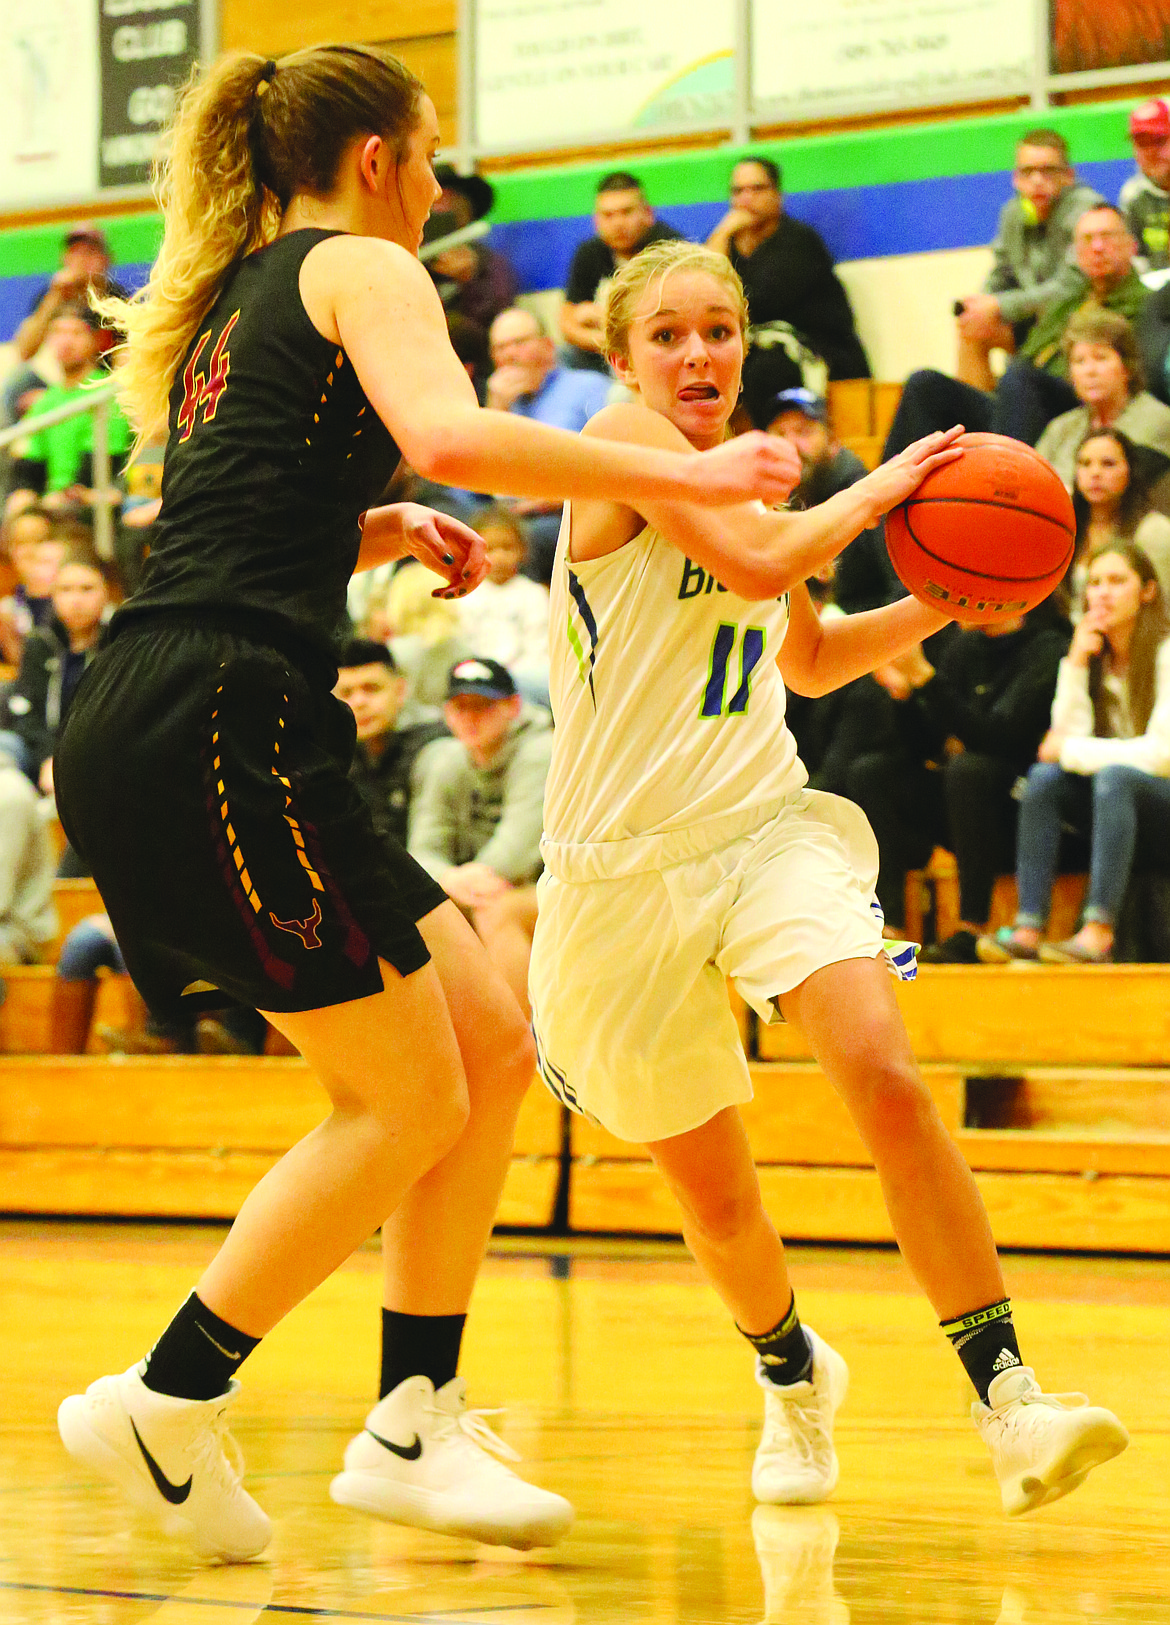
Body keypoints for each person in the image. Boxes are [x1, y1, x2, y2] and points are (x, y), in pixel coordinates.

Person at [50, 44, 800, 1565]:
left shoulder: (243, 292)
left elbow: (219, 511)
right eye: (434, 150)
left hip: (198, 700)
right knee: (402, 1099)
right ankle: (166, 1397)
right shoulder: (360, 264)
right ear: (382, 157)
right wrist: (693, 471)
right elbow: (459, 436)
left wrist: (362, 518)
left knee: (487, 1038)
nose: (444, 181)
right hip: (221, 719)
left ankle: (409, 1417)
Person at [527, 236, 1127, 1519]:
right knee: (718, 1190)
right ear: (625, 355)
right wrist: (889, 486)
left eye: (720, 331)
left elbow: (802, 657)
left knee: (883, 1072)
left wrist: (955, 596)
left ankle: (1012, 1397)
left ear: (747, 344)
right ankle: (794, 1375)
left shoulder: (755, 487)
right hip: (613, 871)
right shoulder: (629, 442)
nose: (698, 353)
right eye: (671, 332)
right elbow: (755, 567)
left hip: (758, 825)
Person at [979, 542, 1170, 965]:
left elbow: (1162, 756)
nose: (1102, 593)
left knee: (1114, 777)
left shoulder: (1166, 652)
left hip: (1160, 804)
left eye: (1117, 581)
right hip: (1118, 802)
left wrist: (1071, 751)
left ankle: (1099, 931)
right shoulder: (1092, 654)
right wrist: (1077, 661)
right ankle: (1029, 926)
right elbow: (1056, 748)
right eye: (1095, 583)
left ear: (1148, 592)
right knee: (1044, 781)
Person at [847, 608, 1068, 964]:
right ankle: (889, 928)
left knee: (970, 770)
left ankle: (972, 925)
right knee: (873, 772)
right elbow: (928, 745)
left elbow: (1002, 738)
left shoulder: (1048, 648)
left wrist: (927, 679)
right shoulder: (964, 647)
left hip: (1022, 811)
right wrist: (904, 695)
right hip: (963, 805)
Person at [884, 205, 1149, 455]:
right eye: (1088, 239)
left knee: (1020, 378)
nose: (1098, 247)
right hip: (1020, 409)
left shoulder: (1148, 304)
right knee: (925, 385)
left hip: (1079, 408)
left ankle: (1007, 486)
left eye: (1107, 237)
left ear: (1132, 245)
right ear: (1076, 252)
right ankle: (883, 496)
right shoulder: (1065, 303)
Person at [410, 658, 549, 1017]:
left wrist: (466, 880)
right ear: (446, 712)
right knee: (419, 909)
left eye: (484, 706)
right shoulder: (443, 760)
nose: (471, 718)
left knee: (497, 911)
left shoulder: (541, 751)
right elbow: (422, 850)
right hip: (480, 885)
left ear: (513, 707)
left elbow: (516, 849)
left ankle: (525, 1043)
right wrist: (449, 878)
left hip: (548, 886)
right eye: (460, 707)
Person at [954, 130, 1103, 391]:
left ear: (1068, 176)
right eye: (1027, 171)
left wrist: (1000, 306)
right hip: (1033, 320)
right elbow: (1002, 274)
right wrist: (982, 303)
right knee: (973, 327)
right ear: (1015, 178)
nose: (1037, 180)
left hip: (1076, 320)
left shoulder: (1085, 210)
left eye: (1048, 171)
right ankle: (977, 425)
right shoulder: (1012, 213)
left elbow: (1071, 288)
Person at [707, 155, 870, 383]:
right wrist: (722, 237)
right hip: (763, 356)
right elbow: (706, 302)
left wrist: (720, 236)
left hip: (822, 354)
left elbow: (752, 307)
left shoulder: (798, 242)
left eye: (757, 189)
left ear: (778, 196)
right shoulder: (728, 246)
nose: (746, 199)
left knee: (763, 367)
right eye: (738, 191)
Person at [486, 307, 612, 582]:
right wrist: (496, 411)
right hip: (508, 517)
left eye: (519, 343)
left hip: (569, 512)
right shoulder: (501, 403)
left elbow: (616, 459)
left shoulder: (589, 387)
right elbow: (482, 479)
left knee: (522, 542)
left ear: (547, 346)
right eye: (500, 347)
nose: (509, 355)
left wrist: (556, 495)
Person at [750, 382, 897, 614]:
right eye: (779, 433)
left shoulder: (865, 496)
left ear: (833, 441)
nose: (790, 444)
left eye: (803, 432)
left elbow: (898, 589)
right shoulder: (765, 500)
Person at [0, 543, 112, 792]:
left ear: (106, 593)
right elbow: (25, 714)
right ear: (53, 595)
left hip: (96, 757)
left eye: (87, 589)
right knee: (5, 746)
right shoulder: (39, 644)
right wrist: (48, 757)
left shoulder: (117, 647)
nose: (76, 600)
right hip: (41, 756)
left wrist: (64, 762)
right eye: (65, 590)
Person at [6, 304, 133, 517]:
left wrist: (55, 500)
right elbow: (29, 467)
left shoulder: (108, 394)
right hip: (50, 505)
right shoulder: (45, 401)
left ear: (95, 340)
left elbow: (98, 469)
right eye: (58, 332)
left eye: (76, 333)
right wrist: (25, 496)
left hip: (89, 505)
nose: (66, 341)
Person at [559, 171, 682, 373]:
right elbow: (567, 324)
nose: (618, 223)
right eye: (608, 215)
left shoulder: (671, 250)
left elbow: (669, 322)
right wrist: (613, 344)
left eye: (626, 212)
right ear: (596, 220)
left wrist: (601, 316)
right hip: (601, 354)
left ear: (648, 214)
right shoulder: (588, 253)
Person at [1035, 309, 1170, 490]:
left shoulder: (1157, 421)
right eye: (1080, 361)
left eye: (1100, 358)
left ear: (1127, 367)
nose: (1090, 370)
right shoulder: (1060, 429)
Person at [335, 637, 447, 847]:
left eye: (371, 688)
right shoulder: (340, 757)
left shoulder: (435, 748)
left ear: (400, 691)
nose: (359, 703)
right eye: (347, 693)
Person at [1065, 427, 1170, 606]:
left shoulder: (1155, 532)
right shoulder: (1063, 527)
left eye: (1108, 464)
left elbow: (1163, 610)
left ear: (1130, 470)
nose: (1095, 473)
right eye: (1085, 463)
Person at [456, 505, 550, 702]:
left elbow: (538, 645)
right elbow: (464, 642)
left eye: (507, 548)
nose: (499, 557)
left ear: (522, 551)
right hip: (478, 678)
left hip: (524, 679)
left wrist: (513, 677)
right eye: (489, 549)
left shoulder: (533, 594)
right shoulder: (467, 596)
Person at [12, 224, 127, 365]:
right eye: (75, 252)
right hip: (64, 374)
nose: (81, 260)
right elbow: (24, 351)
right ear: (64, 258)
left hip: (105, 373)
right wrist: (54, 297)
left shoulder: (116, 298)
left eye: (89, 253)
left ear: (105, 259)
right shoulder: (52, 295)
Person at [425, 166, 519, 333]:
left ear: (465, 209)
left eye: (447, 200)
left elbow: (502, 322)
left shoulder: (489, 264)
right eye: (433, 202)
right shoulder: (404, 263)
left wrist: (470, 280)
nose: (440, 209)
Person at [0, 507, 66, 664]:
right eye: (21, 543)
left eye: (40, 541)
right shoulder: (8, 606)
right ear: (10, 550)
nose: (30, 551)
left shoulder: (73, 598)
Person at [1121, 99, 1170, 276]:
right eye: (1142, 144)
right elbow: (1134, 258)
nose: (1150, 152)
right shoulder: (1133, 194)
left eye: (1159, 141)